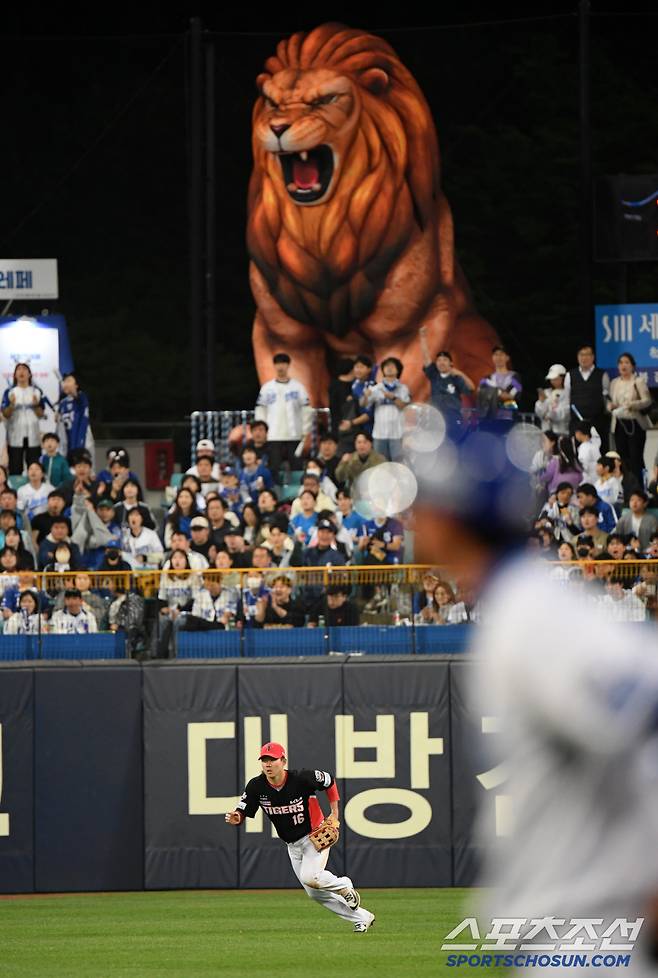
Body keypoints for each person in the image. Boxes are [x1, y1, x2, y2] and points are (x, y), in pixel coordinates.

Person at [225, 742, 375, 932]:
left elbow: (329, 781)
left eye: (273, 759)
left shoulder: (302, 778)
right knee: (314, 893)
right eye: (264, 760)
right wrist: (237, 817)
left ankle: (344, 885)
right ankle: (362, 917)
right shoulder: (257, 786)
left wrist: (334, 813)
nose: (268, 764)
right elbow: (242, 810)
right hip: (292, 844)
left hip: (315, 835)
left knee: (310, 876)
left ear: (284, 761)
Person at [254, 353, 312, 473]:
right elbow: (261, 410)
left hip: (294, 435)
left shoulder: (298, 387)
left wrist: (305, 431)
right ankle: (274, 491)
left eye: (283, 364)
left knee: (297, 466)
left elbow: (306, 410)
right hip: (273, 435)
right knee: (274, 467)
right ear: (274, 366)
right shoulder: (267, 388)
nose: (281, 367)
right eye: (278, 364)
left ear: (288, 365)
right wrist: (262, 431)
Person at [608, 352, 652, 486]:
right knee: (622, 457)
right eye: (621, 363)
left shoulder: (638, 381)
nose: (623, 365)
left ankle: (639, 487)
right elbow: (611, 401)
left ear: (632, 366)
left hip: (635, 423)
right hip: (619, 423)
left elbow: (647, 401)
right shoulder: (614, 382)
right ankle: (626, 488)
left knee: (635, 457)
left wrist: (632, 405)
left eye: (627, 362)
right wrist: (611, 406)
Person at [419, 327, 475, 435]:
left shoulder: (456, 378)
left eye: (445, 360)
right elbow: (426, 357)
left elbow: (471, 388)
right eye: (439, 360)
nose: (441, 362)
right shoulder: (434, 375)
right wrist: (422, 338)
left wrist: (460, 373)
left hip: (453, 418)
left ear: (451, 364)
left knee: (454, 446)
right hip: (435, 418)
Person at [1, 363, 46, 474]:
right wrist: (12, 404)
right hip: (15, 435)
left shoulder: (37, 391)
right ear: (15, 375)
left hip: (33, 435)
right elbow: (5, 414)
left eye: (25, 369)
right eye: (19, 369)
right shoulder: (9, 392)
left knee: (34, 466)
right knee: (15, 467)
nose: (22, 371)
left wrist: (35, 405)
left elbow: (41, 414)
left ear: (29, 374)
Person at [365, 357, 411, 461]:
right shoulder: (376, 388)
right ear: (383, 370)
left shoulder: (403, 388)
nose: (389, 368)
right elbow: (364, 404)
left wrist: (393, 397)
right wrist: (365, 396)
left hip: (397, 433)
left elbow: (405, 406)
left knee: (398, 464)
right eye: (386, 366)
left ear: (398, 370)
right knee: (381, 465)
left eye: (392, 366)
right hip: (379, 433)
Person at [566, 344, 610, 449]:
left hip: (597, 423)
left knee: (599, 454)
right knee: (577, 455)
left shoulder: (602, 375)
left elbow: (606, 398)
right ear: (577, 357)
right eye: (581, 355)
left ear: (593, 357)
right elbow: (567, 398)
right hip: (577, 424)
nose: (584, 358)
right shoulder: (570, 375)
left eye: (587, 355)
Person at [336, 355, 375, 455]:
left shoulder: (372, 386)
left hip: (368, 430)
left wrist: (351, 423)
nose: (358, 370)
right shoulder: (355, 384)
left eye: (361, 367)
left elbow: (368, 415)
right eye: (356, 367)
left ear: (369, 369)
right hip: (355, 431)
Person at [477, 345, 522, 419]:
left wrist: (493, 392)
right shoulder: (486, 379)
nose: (498, 357)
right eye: (496, 354)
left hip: (508, 417)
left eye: (501, 354)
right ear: (492, 358)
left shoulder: (515, 377)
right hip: (488, 419)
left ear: (507, 358)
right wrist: (501, 393)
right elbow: (480, 395)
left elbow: (511, 397)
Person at [57, 373, 92, 460]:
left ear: (76, 385)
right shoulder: (62, 403)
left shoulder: (82, 397)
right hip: (67, 441)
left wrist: (72, 390)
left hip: (81, 437)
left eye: (69, 381)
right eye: (65, 381)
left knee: (83, 464)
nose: (66, 383)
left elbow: (77, 396)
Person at [534, 363, 570, 435]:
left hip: (562, 432)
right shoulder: (547, 392)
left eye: (556, 379)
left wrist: (550, 414)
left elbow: (564, 412)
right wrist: (541, 402)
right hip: (546, 432)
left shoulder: (567, 393)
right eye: (551, 379)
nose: (553, 381)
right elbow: (539, 412)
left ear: (563, 378)